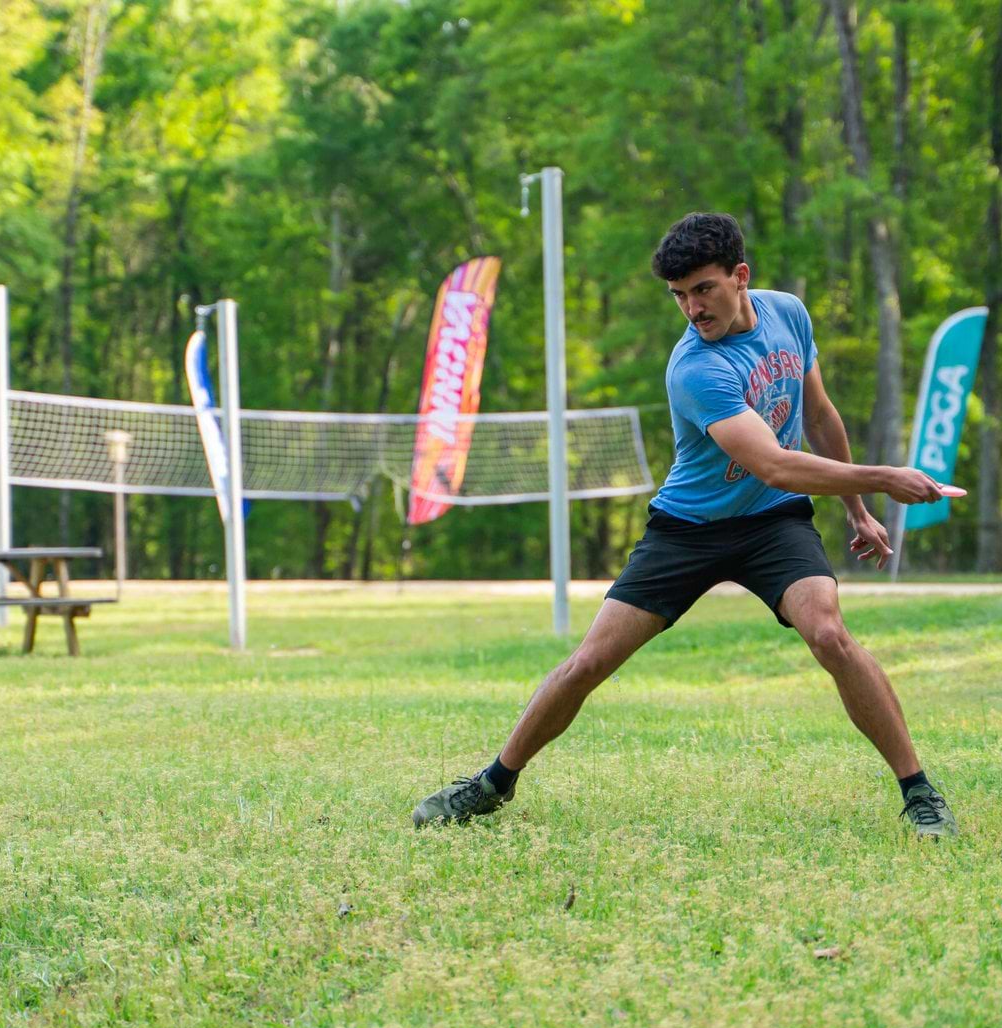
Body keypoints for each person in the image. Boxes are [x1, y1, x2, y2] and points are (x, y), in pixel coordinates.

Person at [411, 212, 959, 838]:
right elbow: (775, 464)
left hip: (772, 522)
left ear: (740, 276)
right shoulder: (695, 369)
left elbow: (817, 414)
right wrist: (885, 478)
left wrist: (857, 510)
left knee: (830, 635)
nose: (692, 309)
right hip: (688, 528)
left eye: (703, 289)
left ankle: (919, 792)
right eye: (679, 295)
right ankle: (492, 784)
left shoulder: (789, 314)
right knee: (589, 662)